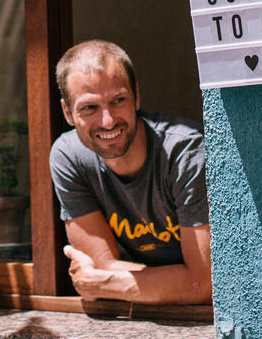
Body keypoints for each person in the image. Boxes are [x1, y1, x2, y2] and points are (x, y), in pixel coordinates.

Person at [49, 40, 212, 305]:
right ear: (68, 112)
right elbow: (101, 262)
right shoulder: (69, 157)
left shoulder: (184, 152)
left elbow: (203, 284)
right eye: (90, 107)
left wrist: (102, 283)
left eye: (118, 101)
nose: (108, 120)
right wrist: (177, 282)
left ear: (136, 96)